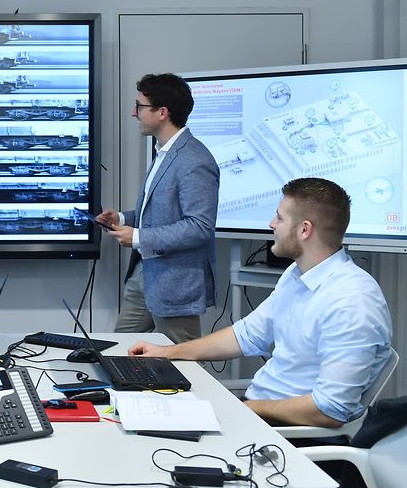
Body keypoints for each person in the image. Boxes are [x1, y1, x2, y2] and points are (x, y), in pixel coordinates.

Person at [130, 178, 393, 428]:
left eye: (279, 217)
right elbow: (246, 335)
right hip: (258, 413)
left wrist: (248, 408)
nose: (271, 224)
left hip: (288, 434)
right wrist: (169, 352)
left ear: (304, 229)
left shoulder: (352, 301)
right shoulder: (297, 274)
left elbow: (329, 410)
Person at [97, 73, 219, 344]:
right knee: (118, 349)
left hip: (174, 283)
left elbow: (199, 227)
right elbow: (159, 213)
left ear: (162, 112)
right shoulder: (163, 152)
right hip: (145, 275)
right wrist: (120, 218)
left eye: (139, 106)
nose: (133, 113)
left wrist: (138, 237)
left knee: (184, 363)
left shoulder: (194, 160)